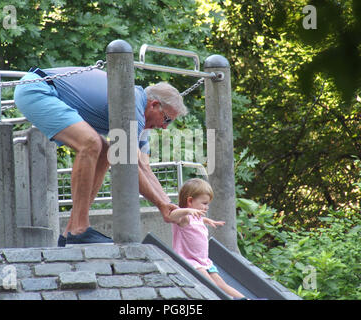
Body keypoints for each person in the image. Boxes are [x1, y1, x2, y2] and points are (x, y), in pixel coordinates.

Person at [14, 66, 186, 246]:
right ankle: (78, 229)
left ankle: (68, 235)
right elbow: (127, 164)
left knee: (105, 151)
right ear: (154, 105)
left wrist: (169, 205)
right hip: (36, 89)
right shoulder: (133, 103)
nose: (165, 127)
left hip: (45, 90)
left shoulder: (141, 120)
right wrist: (160, 205)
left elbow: (143, 167)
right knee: (91, 143)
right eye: (167, 119)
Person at [169, 178, 247, 299]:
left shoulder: (197, 217)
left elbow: (197, 221)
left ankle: (245, 299)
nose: (207, 207)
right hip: (191, 261)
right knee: (211, 285)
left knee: (221, 283)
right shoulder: (184, 218)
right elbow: (171, 216)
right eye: (204, 203)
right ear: (190, 201)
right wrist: (188, 210)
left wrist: (207, 220)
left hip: (204, 261)